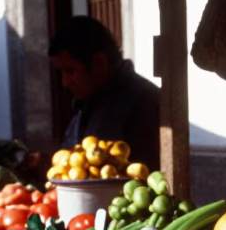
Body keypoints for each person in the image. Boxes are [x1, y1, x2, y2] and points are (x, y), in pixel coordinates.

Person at [50, 16, 160, 169]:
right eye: (61, 73)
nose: (65, 82)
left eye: (70, 71)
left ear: (99, 63)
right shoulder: (85, 102)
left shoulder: (145, 102)